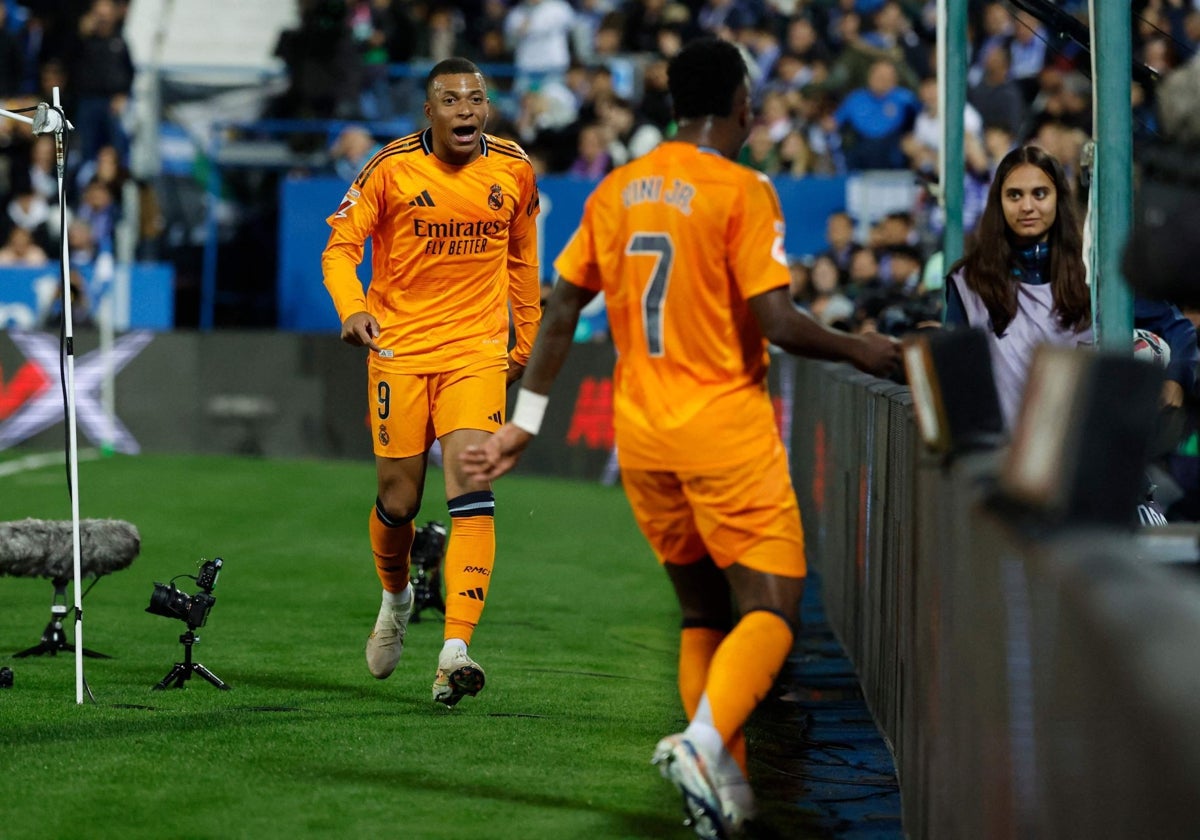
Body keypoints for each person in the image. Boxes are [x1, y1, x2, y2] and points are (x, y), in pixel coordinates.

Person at [460, 37, 899, 837]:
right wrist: (864, 348)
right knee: (771, 605)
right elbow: (777, 321)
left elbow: (560, 308)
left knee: (702, 612)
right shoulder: (743, 190)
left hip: (644, 436)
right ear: (743, 106)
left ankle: (718, 783)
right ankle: (702, 741)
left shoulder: (618, 190)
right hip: (722, 427)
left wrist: (523, 424)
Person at [320, 57, 542, 707]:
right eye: (452, 100)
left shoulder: (512, 168)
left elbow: (524, 259)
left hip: (475, 350)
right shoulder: (390, 168)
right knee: (400, 500)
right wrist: (352, 306)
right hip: (400, 350)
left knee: (472, 484)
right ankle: (395, 597)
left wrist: (521, 341)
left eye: (476, 98)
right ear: (430, 111)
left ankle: (454, 652)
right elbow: (339, 248)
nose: (467, 110)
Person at [943, 145, 1092, 430]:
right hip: (1001, 460)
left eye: (1040, 194)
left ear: (1058, 198)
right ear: (998, 202)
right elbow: (955, 377)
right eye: (1014, 195)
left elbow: (1173, 326)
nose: (1027, 207)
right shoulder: (968, 282)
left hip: (1079, 456)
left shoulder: (1095, 277)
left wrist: (1176, 377)